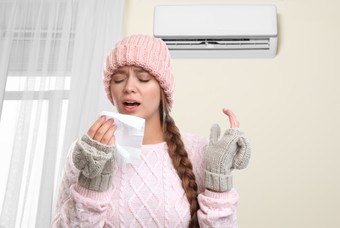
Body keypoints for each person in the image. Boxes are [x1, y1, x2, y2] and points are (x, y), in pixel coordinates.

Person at [52, 34, 251, 227]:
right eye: (119, 79)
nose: (129, 87)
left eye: (144, 78)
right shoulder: (86, 152)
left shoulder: (199, 151)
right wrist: (91, 185)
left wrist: (218, 181)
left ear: (163, 89)